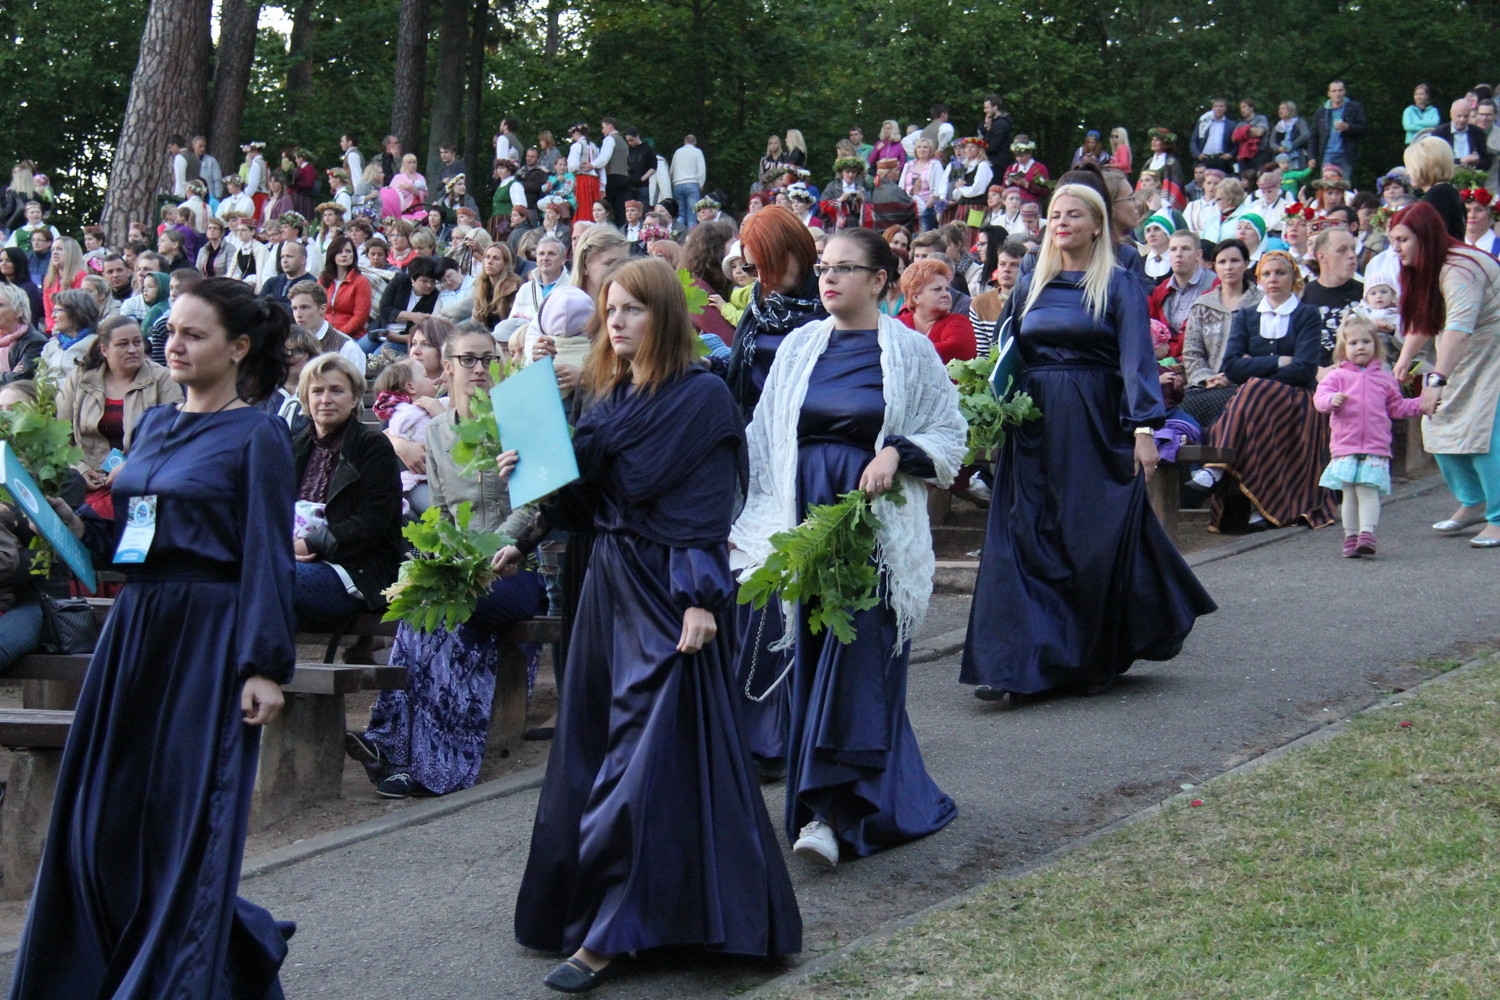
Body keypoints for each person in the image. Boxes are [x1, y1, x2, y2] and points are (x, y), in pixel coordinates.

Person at [502, 258, 798, 990]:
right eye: (610, 310)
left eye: (633, 309)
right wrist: (528, 500)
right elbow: (585, 504)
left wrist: (702, 599)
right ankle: (661, 912)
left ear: (663, 314)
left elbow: (706, 505)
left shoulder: (699, 397)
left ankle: (607, 936)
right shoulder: (608, 396)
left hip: (669, 593)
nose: (618, 321)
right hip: (605, 584)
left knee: (641, 756)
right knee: (606, 747)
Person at [9, 276, 297, 998]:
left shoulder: (259, 434)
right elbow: (136, 538)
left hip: (208, 637)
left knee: (179, 820)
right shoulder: (158, 423)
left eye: (195, 334)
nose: (175, 342)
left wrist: (263, 665)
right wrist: (68, 522)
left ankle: (178, 972)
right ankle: (210, 946)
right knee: (101, 818)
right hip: (136, 629)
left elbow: (267, 553)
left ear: (237, 348)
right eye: (173, 329)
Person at [730, 227, 964, 867]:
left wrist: (896, 450)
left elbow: (949, 434)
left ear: (881, 281)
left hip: (874, 533)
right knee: (813, 658)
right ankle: (851, 802)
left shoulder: (910, 351)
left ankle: (827, 816)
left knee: (857, 664)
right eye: (824, 267)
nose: (827, 278)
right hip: (806, 526)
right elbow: (762, 435)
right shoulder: (801, 346)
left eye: (844, 268)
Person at [962, 184, 1216, 705]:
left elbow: (1136, 360)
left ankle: (1086, 656)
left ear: (1096, 224)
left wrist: (1145, 428)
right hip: (1032, 424)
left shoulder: (1118, 284)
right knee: (1021, 535)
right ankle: (1012, 663)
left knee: (1086, 538)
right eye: (1055, 214)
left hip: (1095, 423)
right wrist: (989, 402)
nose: (1062, 222)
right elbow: (1009, 350)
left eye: (1073, 214)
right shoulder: (1030, 281)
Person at [348, 328, 547, 798]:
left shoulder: (519, 420)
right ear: (450, 366)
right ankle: (396, 748)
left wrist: (497, 549)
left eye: (487, 359)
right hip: (459, 569)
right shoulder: (436, 432)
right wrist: (440, 561)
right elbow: (437, 510)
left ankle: (439, 761)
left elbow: (536, 504)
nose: (479, 368)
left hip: (516, 570)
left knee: (449, 613)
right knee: (423, 608)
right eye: (468, 359)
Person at [1388, 201, 1500, 547]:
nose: (1396, 248)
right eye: (1393, 240)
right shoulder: (1429, 264)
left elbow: (1458, 328)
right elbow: (1427, 316)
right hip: (1467, 352)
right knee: (1435, 421)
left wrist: (1436, 380)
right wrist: (1405, 358)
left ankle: (1498, 516)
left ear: (1424, 237)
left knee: (1484, 432)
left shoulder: (1459, 268)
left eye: (1403, 240)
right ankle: (1474, 501)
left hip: (1491, 351)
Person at [1198, 251, 1334, 531]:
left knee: (1254, 390)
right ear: (1259, 280)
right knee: (1254, 398)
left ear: (1293, 277)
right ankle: (1258, 505)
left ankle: (1215, 469)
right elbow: (1232, 366)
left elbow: (1305, 370)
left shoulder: (1306, 315)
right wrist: (1280, 360)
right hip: (1256, 400)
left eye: (1280, 273)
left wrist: (1256, 368)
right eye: (1267, 274)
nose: (1273, 279)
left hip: (1297, 399)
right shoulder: (1247, 316)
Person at [288, 352, 403, 629]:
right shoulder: (292, 447)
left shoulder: (371, 446)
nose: (325, 399)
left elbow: (371, 522)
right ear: (305, 400)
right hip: (291, 559)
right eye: (317, 391)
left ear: (354, 400)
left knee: (274, 580)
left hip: (357, 570)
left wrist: (310, 544)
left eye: (336, 390)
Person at [1313, 314, 1424, 558]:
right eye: (1353, 343)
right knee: (1350, 493)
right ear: (1343, 348)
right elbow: (1319, 400)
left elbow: (1397, 407)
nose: (1360, 347)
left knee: (1367, 489)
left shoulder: (1384, 379)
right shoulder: (1337, 377)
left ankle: (1367, 534)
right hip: (1346, 446)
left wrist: (1420, 404)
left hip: (1375, 445)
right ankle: (1350, 537)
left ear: (1376, 345)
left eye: (1366, 342)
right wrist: (1332, 400)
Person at [57, 314, 182, 511]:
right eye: (123, 344)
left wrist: (130, 468)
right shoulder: (80, 379)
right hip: (87, 479)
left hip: (141, 479)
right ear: (104, 350)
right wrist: (80, 469)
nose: (133, 349)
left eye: (137, 342)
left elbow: (175, 435)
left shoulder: (163, 379)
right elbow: (59, 435)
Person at [1180, 238, 1261, 428]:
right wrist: (1207, 378)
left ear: (1246, 264)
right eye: (1222, 262)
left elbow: (1265, 351)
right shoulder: (1203, 305)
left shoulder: (1262, 304)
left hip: (1248, 386)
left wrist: (1233, 376)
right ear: (1214, 266)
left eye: (1235, 261)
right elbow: (1192, 352)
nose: (1228, 267)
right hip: (1207, 386)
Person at [1300, 227, 1364, 363]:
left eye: (1353, 249)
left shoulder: (1366, 293)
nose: (1352, 255)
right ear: (1321, 256)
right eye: (1342, 250)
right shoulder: (1302, 297)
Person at [896, 256, 976, 363]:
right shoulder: (898, 324)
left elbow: (955, 350)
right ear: (916, 297)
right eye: (937, 289)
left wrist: (904, 351)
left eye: (947, 289)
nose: (946, 294)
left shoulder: (959, 321)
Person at [367, 254, 440, 353]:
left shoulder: (435, 297)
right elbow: (384, 309)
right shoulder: (400, 281)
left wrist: (398, 338)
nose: (429, 285)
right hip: (381, 330)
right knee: (359, 350)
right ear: (413, 279)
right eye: (424, 281)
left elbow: (427, 334)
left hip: (405, 339)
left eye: (432, 281)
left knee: (376, 358)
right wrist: (412, 316)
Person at [316, 233, 372, 343]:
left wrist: (337, 335)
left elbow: (359, 318)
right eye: (340, 252)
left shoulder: (361, 281)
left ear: (353, 255)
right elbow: (315, 308)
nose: (344, 255)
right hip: (322, 333)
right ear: (332, 255)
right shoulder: (323, 280)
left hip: (350, 335)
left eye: (348, 251)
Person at [1310, 80, 1367, 177]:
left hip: (1346, 154)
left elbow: (1364, 128)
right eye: (1334, 91)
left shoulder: (1354, 107)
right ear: (1329, 94)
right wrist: (1312, 157)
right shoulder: (1321, 112)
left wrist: (1349, 127)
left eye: (1340, 90)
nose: (1337, 94)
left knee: (1344, 185)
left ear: (1344, 91)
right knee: (1327, 185)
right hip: (1327, 154)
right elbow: (1313, 136)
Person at [41, 287, 101, 372]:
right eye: (53, 311)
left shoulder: (95, 346)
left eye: (57, 311)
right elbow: (39, 380)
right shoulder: (50, 347)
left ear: (77, 312)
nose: (53, 316)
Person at [0, 283, 44, 383]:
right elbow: (11, 378)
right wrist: (7, 375)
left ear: (19, 312)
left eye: (0, 305)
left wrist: (9, 377)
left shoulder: (35, 342)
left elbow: (19, 379)